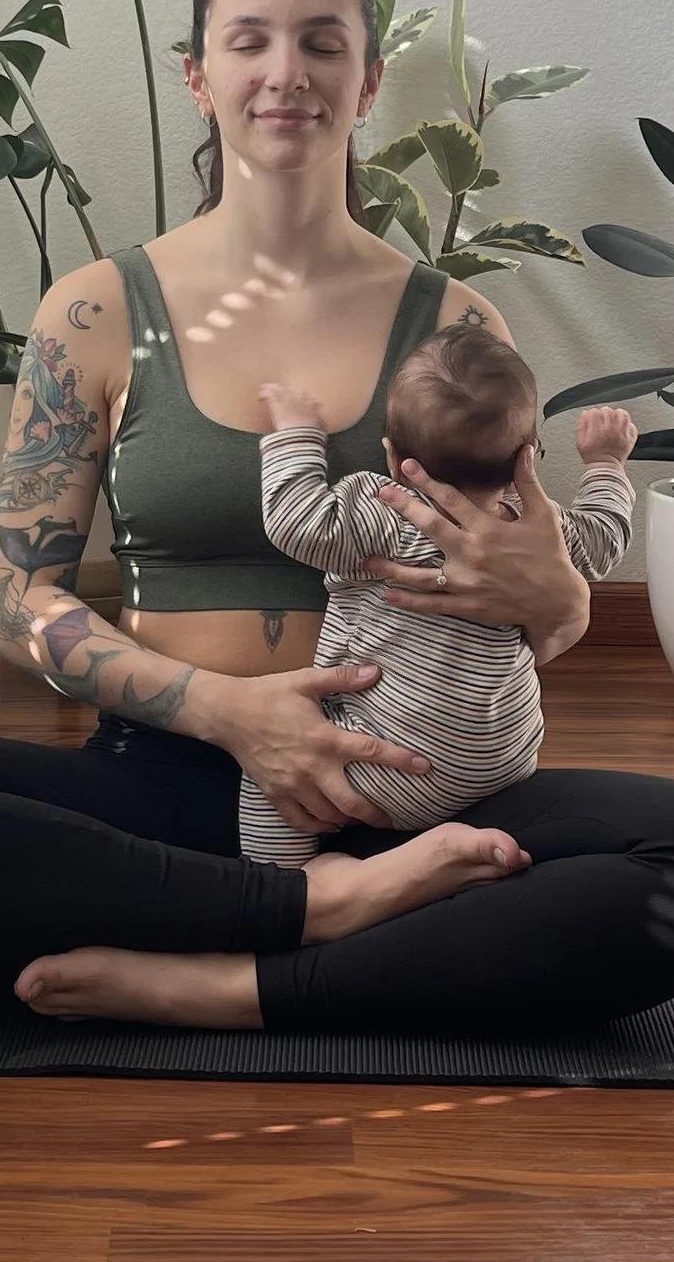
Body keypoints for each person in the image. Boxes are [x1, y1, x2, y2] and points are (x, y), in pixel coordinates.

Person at [0, 0, 674, 1033]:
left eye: (320, 43)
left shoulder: (454, 324)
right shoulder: (95, 313)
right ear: (198, 76)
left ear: (365, 84)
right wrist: (229, 714)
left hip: (416, 786)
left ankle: (231, 980)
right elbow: (19, 601)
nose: (285, 73)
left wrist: (561, 600)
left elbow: (530, 599)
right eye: (249, 42)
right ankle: (322, 915)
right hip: (165, 780)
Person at [237, 326, 639, 866]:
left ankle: (287, 880)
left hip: (393, 764)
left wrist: (297, 433)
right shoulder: (541, 530)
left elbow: (296, 522)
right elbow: (604, 536)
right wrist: (606, 465)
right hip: (503, 763)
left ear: (392, 454)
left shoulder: (382, 510)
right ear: (528, 456)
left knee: (268, 774)